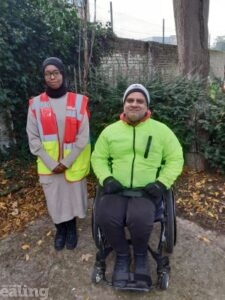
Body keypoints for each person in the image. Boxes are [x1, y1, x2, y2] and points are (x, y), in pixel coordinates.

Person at [91, 83, 184, 288]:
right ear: (124, 104)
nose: (134, 104)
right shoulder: (110, 131)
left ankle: (141, 255)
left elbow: (176, 158)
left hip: (146, 191)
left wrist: (162, 183)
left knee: (140, 218)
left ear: (147, 106)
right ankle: (123, 255)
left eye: (139, 101)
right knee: (105, 216)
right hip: (116, 189)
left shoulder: (161, 131)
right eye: (130, 100)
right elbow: (98, 158)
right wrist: (106, 178)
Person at [26, 57, 91, 251]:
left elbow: (83, 136)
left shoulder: (78, 101)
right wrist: (52, 163)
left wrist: (66, 162)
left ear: (63, 74)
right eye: (48, 73)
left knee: (71, 198)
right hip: (49, 166)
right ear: (44, 77)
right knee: (54, 199)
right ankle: (60, 230)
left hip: (71, 164)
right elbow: (33, 138)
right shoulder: (36, 104)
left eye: (56, 72)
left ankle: (71, 230)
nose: (52, 77)